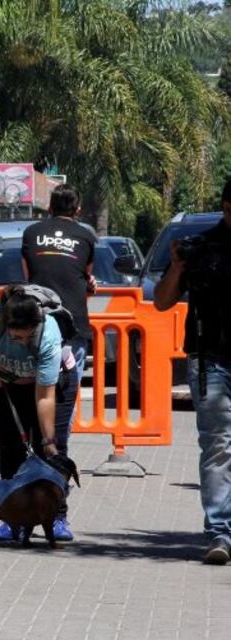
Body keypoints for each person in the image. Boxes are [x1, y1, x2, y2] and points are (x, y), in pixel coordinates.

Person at [154, 177, 231, 565]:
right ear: (227, 208)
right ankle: (220, 531)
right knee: (218, 445)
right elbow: (162, 302)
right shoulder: (200, 248)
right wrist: (176, 268)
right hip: (210, 358)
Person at [0, 284, 75, 541]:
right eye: (16, 338)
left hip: (51, 386)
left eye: (28, 336)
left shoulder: (48, 333)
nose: (23, 342)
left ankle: (57, 515)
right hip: (5, 382)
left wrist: (48, 440)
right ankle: (11, 516)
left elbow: (45, 396)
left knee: (50, 451)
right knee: (10, 448)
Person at [20, 183, 96, 542]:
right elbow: (86, 275)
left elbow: (28, 277)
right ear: (77, 210)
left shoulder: (31, 233)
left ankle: (28, 508)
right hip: (72, 330)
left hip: (34, 326)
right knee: (60, 419)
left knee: (32, 417)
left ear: (49, 208)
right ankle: (55, 512)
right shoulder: (86, 236)